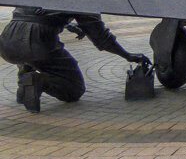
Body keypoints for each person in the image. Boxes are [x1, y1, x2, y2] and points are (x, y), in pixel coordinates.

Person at [0, 7, 149, 113]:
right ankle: (38, 80)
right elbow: (101, 38)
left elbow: (37, 13)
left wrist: (67, 23)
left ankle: (25, 72)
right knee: (74, 89)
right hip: (38, 43)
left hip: (7, 41)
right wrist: (127, 55)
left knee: (27, 51)